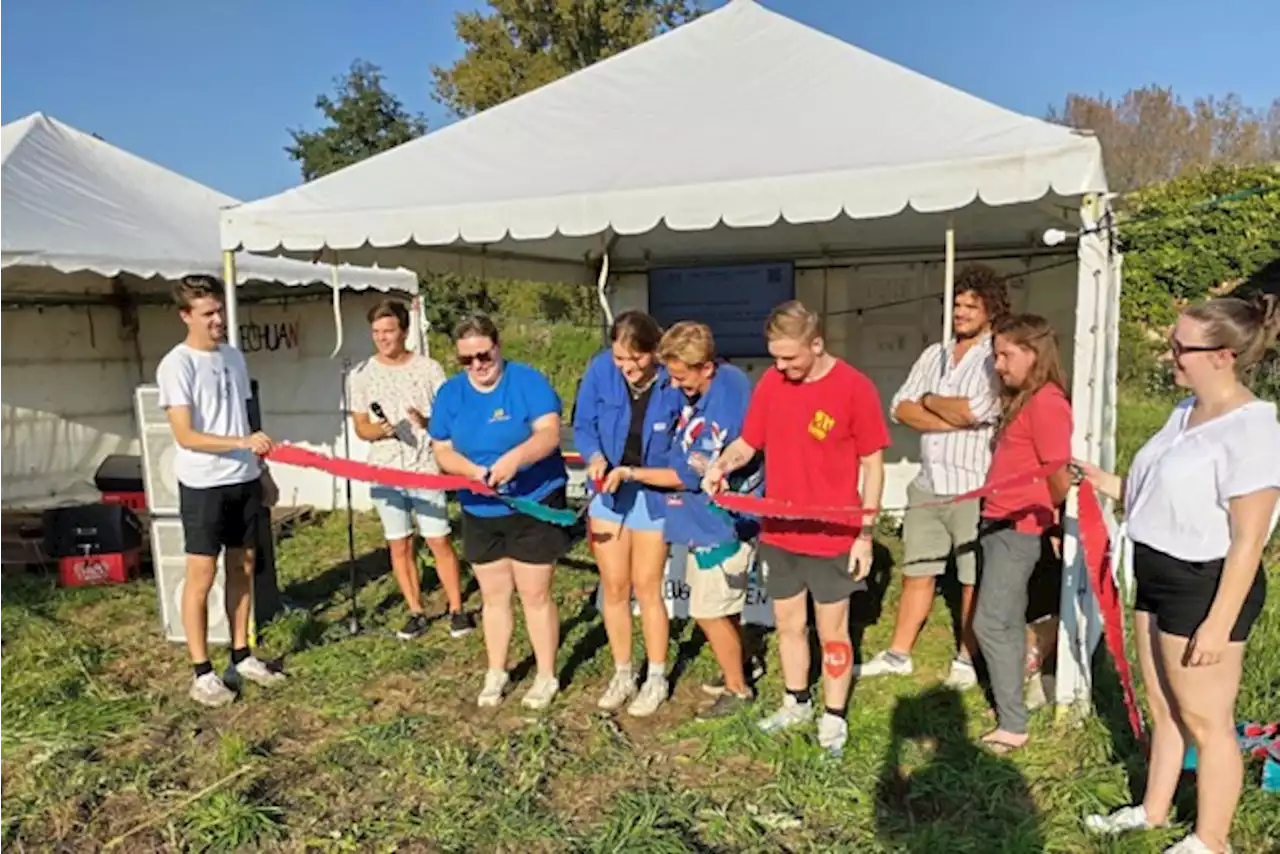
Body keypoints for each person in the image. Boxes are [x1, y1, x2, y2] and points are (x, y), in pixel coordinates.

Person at [1080, 295, 1280, 854]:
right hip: (1156, 574)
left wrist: (1217, 626)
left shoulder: (1254, 431)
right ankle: (1152, 811)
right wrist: (1103, 480)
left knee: (1207, 720)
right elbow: (1154, 497)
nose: (1171, 355)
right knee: (1165, 707)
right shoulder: (1184, 414)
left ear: (1222, 355)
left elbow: (1248, 541)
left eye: (1180, 348)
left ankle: (1211, 840)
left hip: (1207, 585)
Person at [703, 301, 889, 756]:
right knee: (788, 625)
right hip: (780, 532)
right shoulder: (771, 383)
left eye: (791, 357)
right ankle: (796, 700)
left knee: (833, 631)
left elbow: (873, 464)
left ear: (817, 343)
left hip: (831, 534)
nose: (781, 366)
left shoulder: (854, 388)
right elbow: (749, 442)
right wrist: (721, 465)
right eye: (776, 357)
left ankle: (834, 715)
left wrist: (864, 533)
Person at [859, 264, 1007, 689]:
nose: (960, 313)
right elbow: (900, 407)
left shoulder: (994, 356)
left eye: (970, 306)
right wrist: (938, 407)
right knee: (917, 571)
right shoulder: (934, 354)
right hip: (928, 485)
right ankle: (898, 653)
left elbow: (977, 410)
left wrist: (933, 407)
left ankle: (966, 656)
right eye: (957, 304)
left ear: (990, 309)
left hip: (973, 486)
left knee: (969, 578)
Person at [156, 275, 286, 707]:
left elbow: (245, 419)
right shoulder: (176, 364)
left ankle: (241, 654)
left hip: (243, 478)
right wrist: (239, 445)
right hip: (204, 483)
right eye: (207, 313)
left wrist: (260, 468)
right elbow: (185, 435)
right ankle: (201, 672)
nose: (217, 319)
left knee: (243, 567)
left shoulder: (233, 356)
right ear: (185, 316)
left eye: (219, 310)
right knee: (201, 575)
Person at [428, 314, 570, 710]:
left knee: (535, 593)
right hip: (479, 506)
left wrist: (515, 459)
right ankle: (497, 670)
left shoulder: (527, 381)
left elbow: (548, 433)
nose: (477, 365)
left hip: (534, 500)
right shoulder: (450, 394)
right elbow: (441, 449)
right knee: (494, 595)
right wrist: (470, 471)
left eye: (483, 355)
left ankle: (545, 674)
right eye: (467, 360)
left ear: (498, 347)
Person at [573, 311, 683, 716]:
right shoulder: (600, 370)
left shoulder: (672, 380)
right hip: (608, 494)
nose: (627, 368)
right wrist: (596, 457)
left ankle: (656, 676)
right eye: (619, 359)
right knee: (614, 586)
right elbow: (583, 425)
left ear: (653, 350)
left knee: (647, 586)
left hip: (651, 494)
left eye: (635, 360)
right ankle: (622, 672)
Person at [971, 314, 1073, 755]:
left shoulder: (1047, 403)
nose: (998, 364)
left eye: (1006, 355)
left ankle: (1013, 722)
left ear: (1034, 354)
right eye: (996, 355)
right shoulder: (1023, 402)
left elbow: (1059, 475)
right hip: (998, 524)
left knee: (991, 622)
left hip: (1018, 528)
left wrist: (1051, 521)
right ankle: (1012, 711)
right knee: (1004, 620)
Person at [347, 300, 472, 641]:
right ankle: (416, 610)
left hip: (424, 467)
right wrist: (380, 430)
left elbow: (451, 418)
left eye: (388, 331)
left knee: (438, 539)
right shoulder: (361, 375)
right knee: (399, 544)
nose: (382, 338)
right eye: (376, 332)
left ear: (403, 331)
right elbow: (360, 426)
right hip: (385, 470)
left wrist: (428, 422)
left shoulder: (429, 369)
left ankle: (457, 609)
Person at [658, 322, 764, 720]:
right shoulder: (727, 380)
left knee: (707, 611)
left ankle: (738, 691)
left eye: (681, 377)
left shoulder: (724, 404)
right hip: (707, 519)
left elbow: (688, 472)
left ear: (706, 367)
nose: (675, 385)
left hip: (725, 522)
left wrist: (633, 474)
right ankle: (739, 664)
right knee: (726, 605)